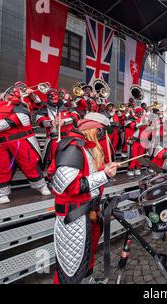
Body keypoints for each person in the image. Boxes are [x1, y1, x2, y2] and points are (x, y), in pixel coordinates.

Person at [49, 113, 118, 284]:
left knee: (86, 256)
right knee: (71, 266)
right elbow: (69, 187)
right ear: (92, 128)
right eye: (101, 131)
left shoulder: (84, 147)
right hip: (74, 216)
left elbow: (88, 173)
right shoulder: (72, 148)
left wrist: (104, 168)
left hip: (89, 211)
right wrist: (105, 175)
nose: (104, 135)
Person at [0, 84, 51, 204]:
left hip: (20, 142)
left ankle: (41, 186)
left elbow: (17, 118)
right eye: (9, 93)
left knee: (30, 164)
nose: (11, 95)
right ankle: (1, 193)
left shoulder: (20, 106)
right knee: (1, 167)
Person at [36, 89, 80, 167]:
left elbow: (76, 116)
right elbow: (40, 120)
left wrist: (64, 121)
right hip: (54, 138)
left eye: (56, 97)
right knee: (54, 160)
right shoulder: (45, 108)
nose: (54, 100)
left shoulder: (66, 106)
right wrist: (51, 123)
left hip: (68, 137)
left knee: (69, 158)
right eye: (52, 98)